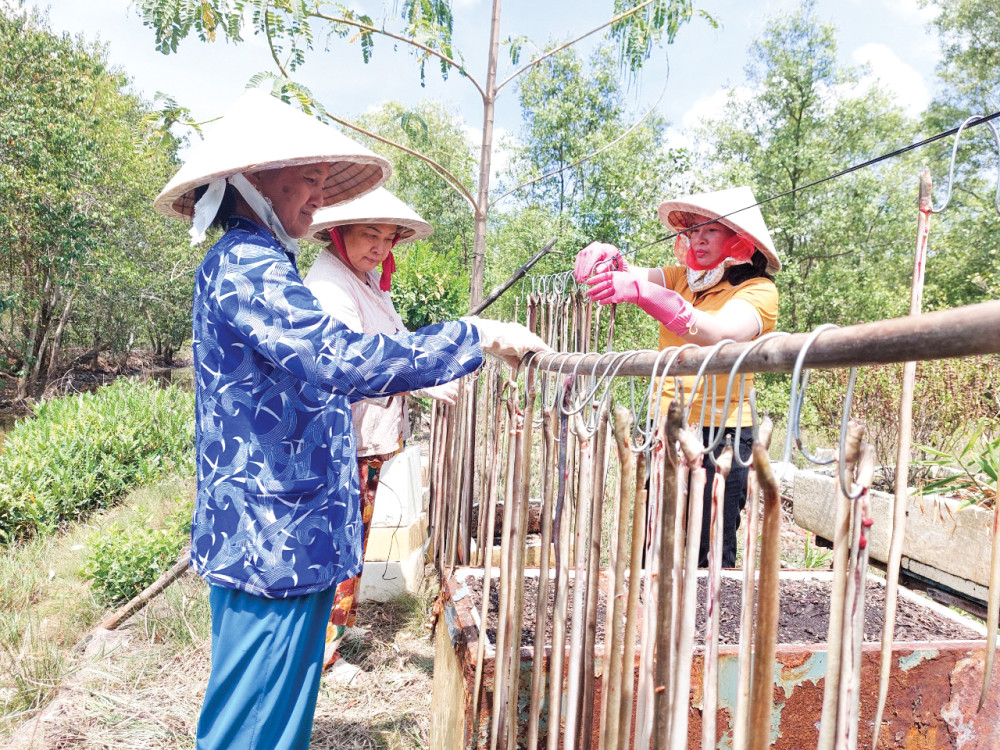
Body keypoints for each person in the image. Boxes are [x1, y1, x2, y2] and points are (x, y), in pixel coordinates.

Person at [153, 88, 548, 750]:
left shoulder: (264, 263)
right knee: (253, 727)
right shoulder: (246, 264)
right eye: (306, 180)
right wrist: (471, 337)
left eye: (319, 182)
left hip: (287, 533)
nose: (316, 196)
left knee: (277, 718)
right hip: (268, 541)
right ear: (254, 180)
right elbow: (338, 357)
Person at [573, 186, 780, 568]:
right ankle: (652, 627)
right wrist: (609, 255)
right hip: (668, 423)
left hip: (722, 434)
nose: (697, 239)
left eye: (711, 230)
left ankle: (707, 627)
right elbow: (629, 273)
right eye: (693, 230)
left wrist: (647, 295)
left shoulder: (759, 290)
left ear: (740, 240)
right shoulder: (682, 278)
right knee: (659, 542)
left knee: (710, 550)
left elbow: (719, 333)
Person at [302, 187, 456, 683]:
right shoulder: (331, 287)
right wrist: (420, 374)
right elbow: (354, 363)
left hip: (367, 435)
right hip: (342, 439)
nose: (380, 248)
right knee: (339, 543)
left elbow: (395, 345)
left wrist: (426, 374)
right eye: (371, 234)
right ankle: (321, 653)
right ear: (337, 232)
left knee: (357, 536)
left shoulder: (366, 281)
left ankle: (337, 629)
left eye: (388, 238)